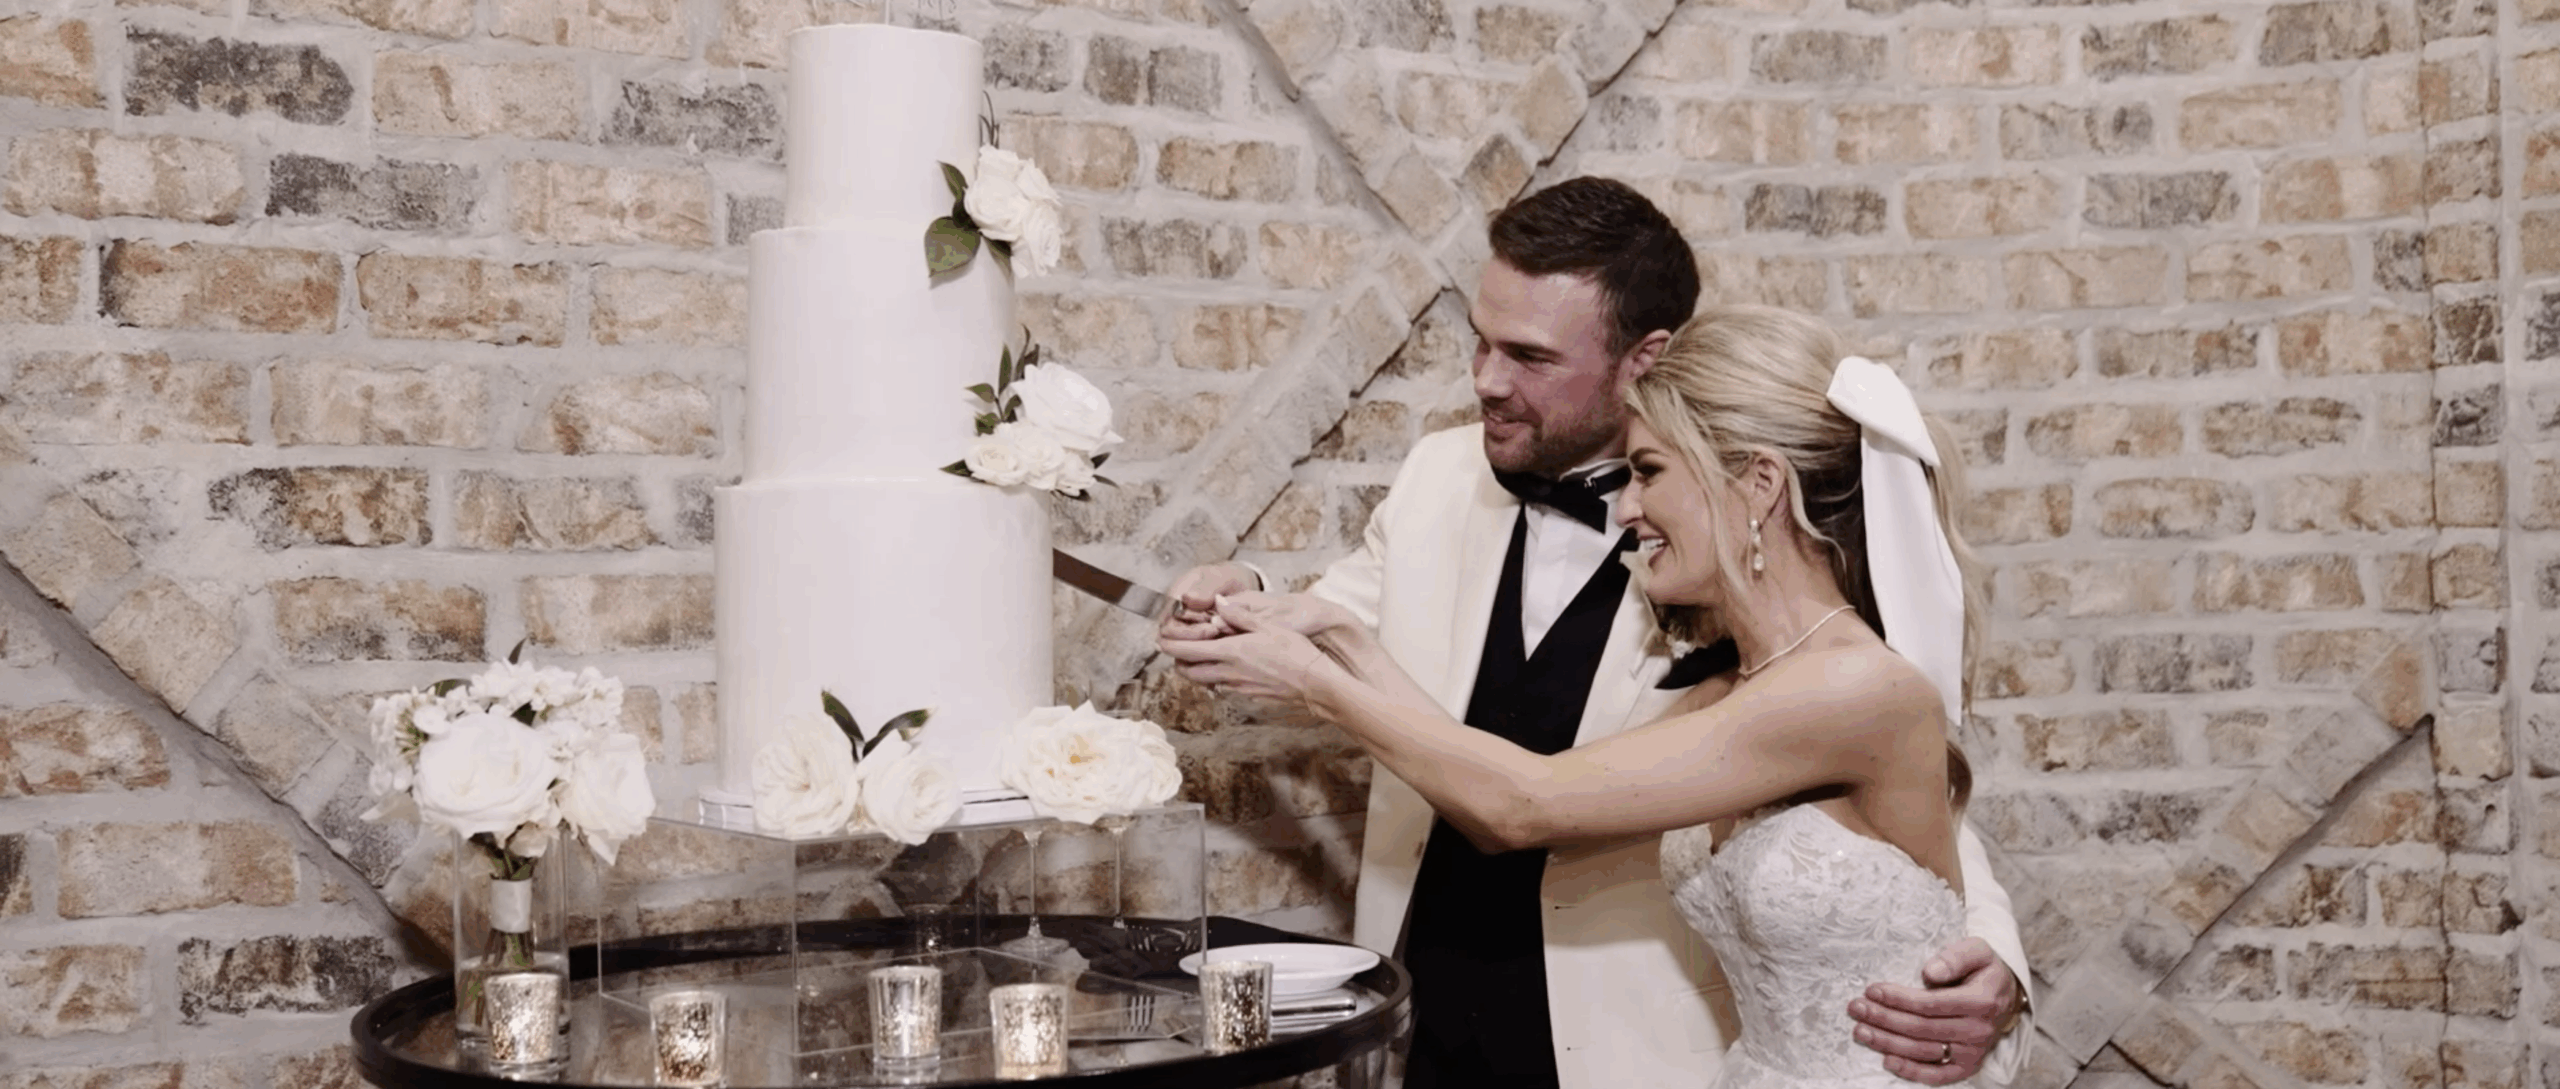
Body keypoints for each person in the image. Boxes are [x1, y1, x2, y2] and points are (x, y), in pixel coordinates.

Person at [1158, 179, 2032, 1089]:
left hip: (1631, 1049)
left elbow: (1912, 789)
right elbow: (1351, 616)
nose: (1488, 379)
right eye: (1481, 343)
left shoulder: (1767, 595)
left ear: (1642, 358)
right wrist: (1262, 603)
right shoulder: (1438, 475)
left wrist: (1992, 957)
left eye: (1529, 356)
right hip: (1430, 1013)